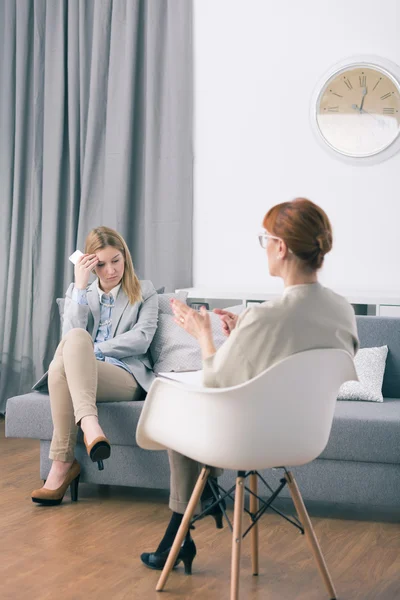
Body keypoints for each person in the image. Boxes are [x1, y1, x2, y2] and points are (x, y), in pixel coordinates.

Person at [140, 198, 359, 573]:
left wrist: (203, 334)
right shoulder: (342, 309)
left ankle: (191, 514)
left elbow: (216, 381)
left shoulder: (265, 316)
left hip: (246, 438)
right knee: (190, 414)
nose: (265, 248)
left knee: (177, 404)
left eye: (266, 239)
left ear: (282, 247)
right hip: (304, 436)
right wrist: (245, 332)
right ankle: (189, 517)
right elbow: (302, 358)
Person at [31, 226, 158, 506]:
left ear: (125, 257)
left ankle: (63, 462)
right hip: (82, 374)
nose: (111, 270)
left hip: (125, 375)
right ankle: (88, 430)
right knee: (69, 349)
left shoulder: (144, 290)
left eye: (116, 260)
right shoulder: (80, 293)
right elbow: (68, 340)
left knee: (64, 361)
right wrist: (79, 286)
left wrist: (90, 351)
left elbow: (141, 339)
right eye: (101, 264)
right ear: (90, 263)